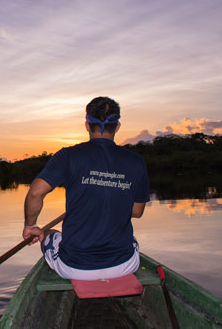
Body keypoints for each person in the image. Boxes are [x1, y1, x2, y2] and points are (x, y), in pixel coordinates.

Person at [22, 96, 150, 280]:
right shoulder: (137, 162)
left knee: (49, 234)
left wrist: (31, 226)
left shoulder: (67, 155)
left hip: (75, 267)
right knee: (132, 242)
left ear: (87, 125)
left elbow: (35, 193)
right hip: (124, 265)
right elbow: (137, 211)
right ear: (118, 126)